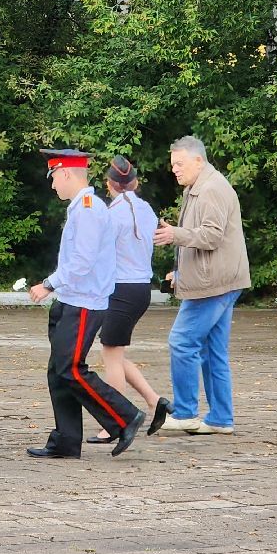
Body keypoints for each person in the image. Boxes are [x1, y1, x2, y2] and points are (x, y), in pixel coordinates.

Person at [27, 149, 145, 458]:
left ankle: (125, 417)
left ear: (66, 172)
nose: (53, 185)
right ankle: (66, 442)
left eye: (54, 177)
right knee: (59, 371)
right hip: (72, 300)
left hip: (84, 303)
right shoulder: (81, 207)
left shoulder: (89, 209)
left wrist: (48, 284)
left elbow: (82, 261)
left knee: (72, 369)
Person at [151, 136, 250, 435]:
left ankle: (185, 413)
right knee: (212, 351)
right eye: (173, 165)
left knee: (182, 341)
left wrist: (175, 235)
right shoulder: (200, 187)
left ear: (198, 160)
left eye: (179, 164)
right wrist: (179, 271)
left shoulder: (211, 189)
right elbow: (203, 237)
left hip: (213, 284)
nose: (175, 169)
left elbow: (211, 236)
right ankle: (220, 419)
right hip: (221, 280)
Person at [87, 156, 169, 444]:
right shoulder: (147, 210)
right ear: (135, 183)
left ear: (109, 185)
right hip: (141, 288)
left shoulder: (111, 214)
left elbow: (100, 253)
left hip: (121, 288)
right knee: (116, 353)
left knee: (110, 355)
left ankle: (116, 421)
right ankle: (155, 401)